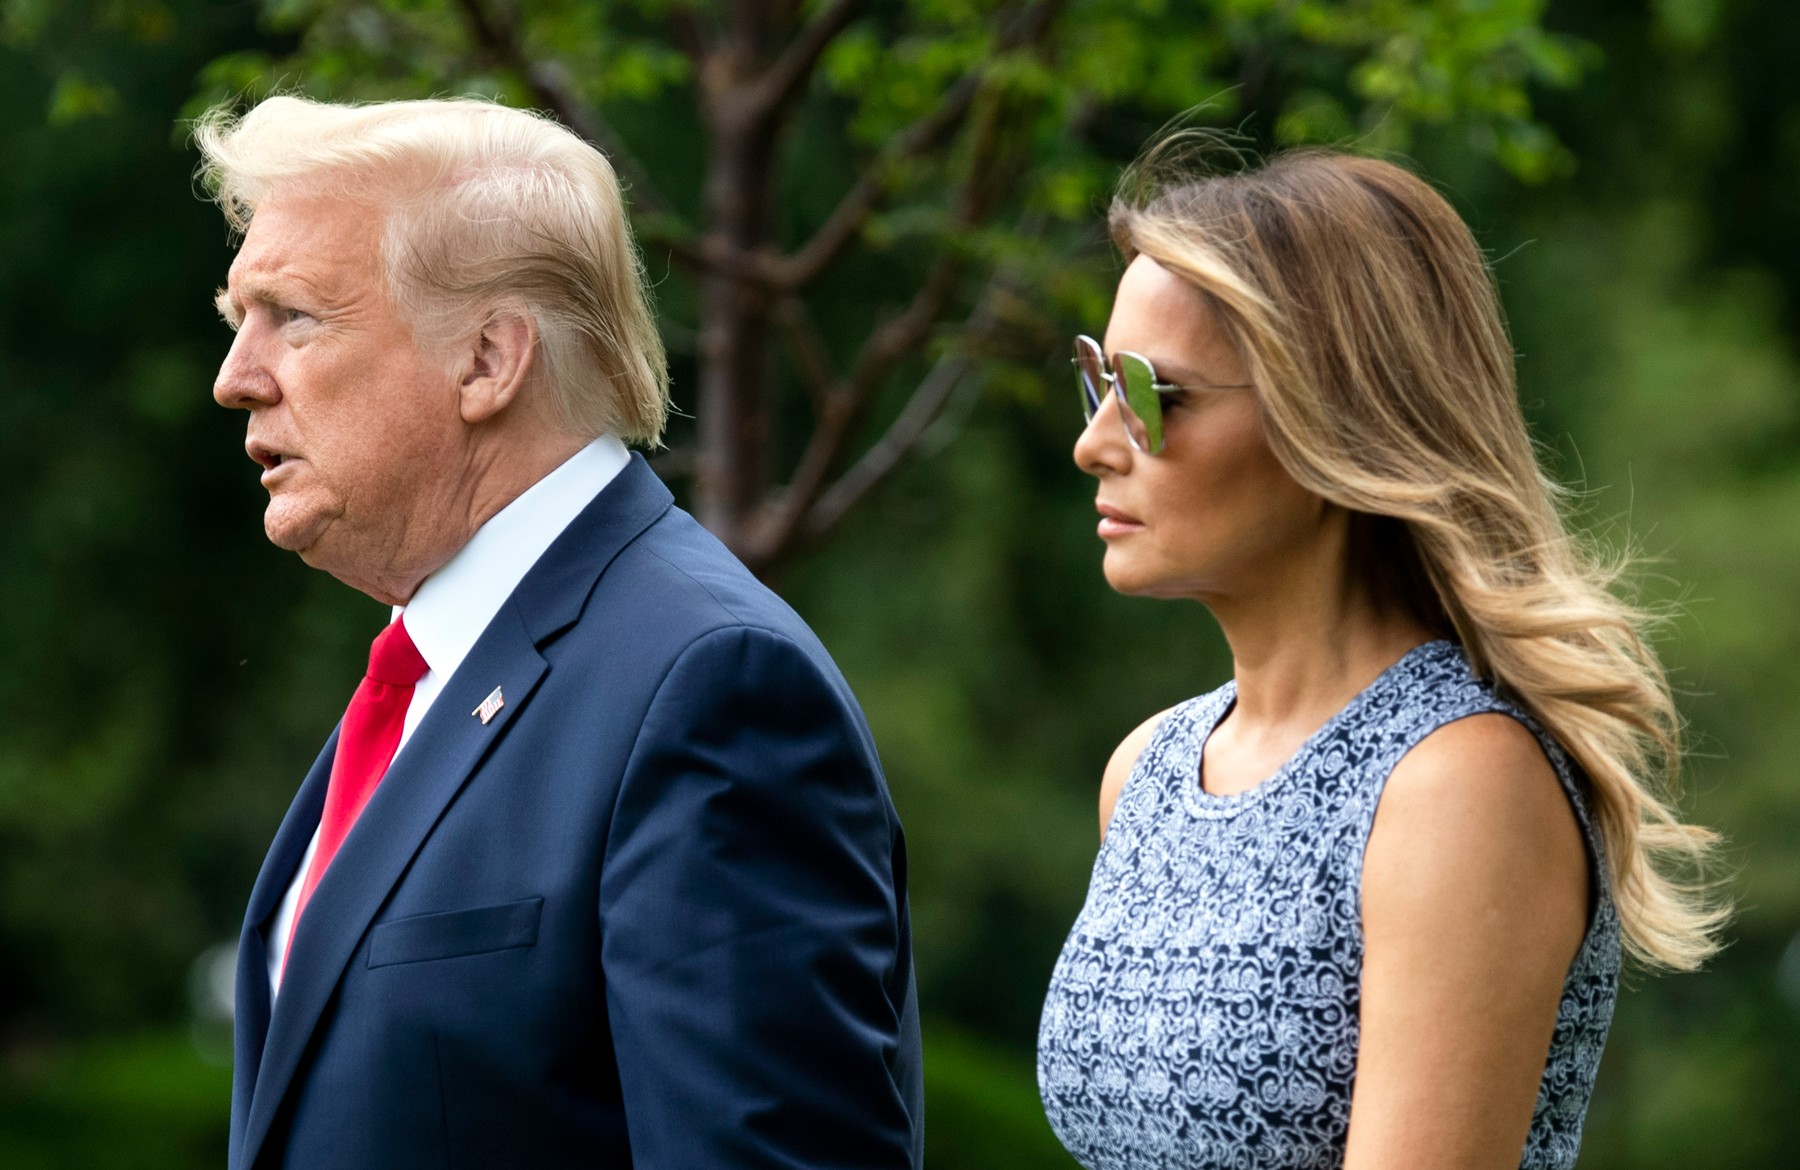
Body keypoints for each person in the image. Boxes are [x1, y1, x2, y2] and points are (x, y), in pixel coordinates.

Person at [199, 95, 922, 1170]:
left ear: (489, 360)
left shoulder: (712, 688)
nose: (235, 378)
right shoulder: (435, 672)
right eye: (236, 321)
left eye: (292, 316)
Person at [1036, 145, 1724, 1169]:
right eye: (1098, 375)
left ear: (1333, 412)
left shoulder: (1460, 782)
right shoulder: (1146, 773)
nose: (1096, 440)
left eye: (1150, 393)